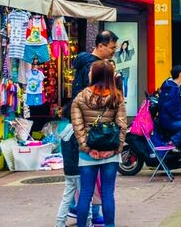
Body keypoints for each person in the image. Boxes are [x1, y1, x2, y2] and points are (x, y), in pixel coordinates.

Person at [57, 30, 118, 226]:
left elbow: (76, 111)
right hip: (100, 139)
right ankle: (97, 215)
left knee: (86, 188)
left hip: (87, 139)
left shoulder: (83, 66)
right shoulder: (95, 69)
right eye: (111, 48)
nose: (113, 52)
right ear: (101, 46)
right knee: (103, 188)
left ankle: (87, 214)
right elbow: (120, 121)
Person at [70, 60, 127, 227]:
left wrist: (87, 148)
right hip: (110, 151)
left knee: (86, 193)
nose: (88, 73)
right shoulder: (117, 97)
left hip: (88, 154)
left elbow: (77, 126)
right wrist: (116, 149)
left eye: (91, 71)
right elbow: (122, 125)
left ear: (95, 75)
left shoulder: (80, 98)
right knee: (108, 193)